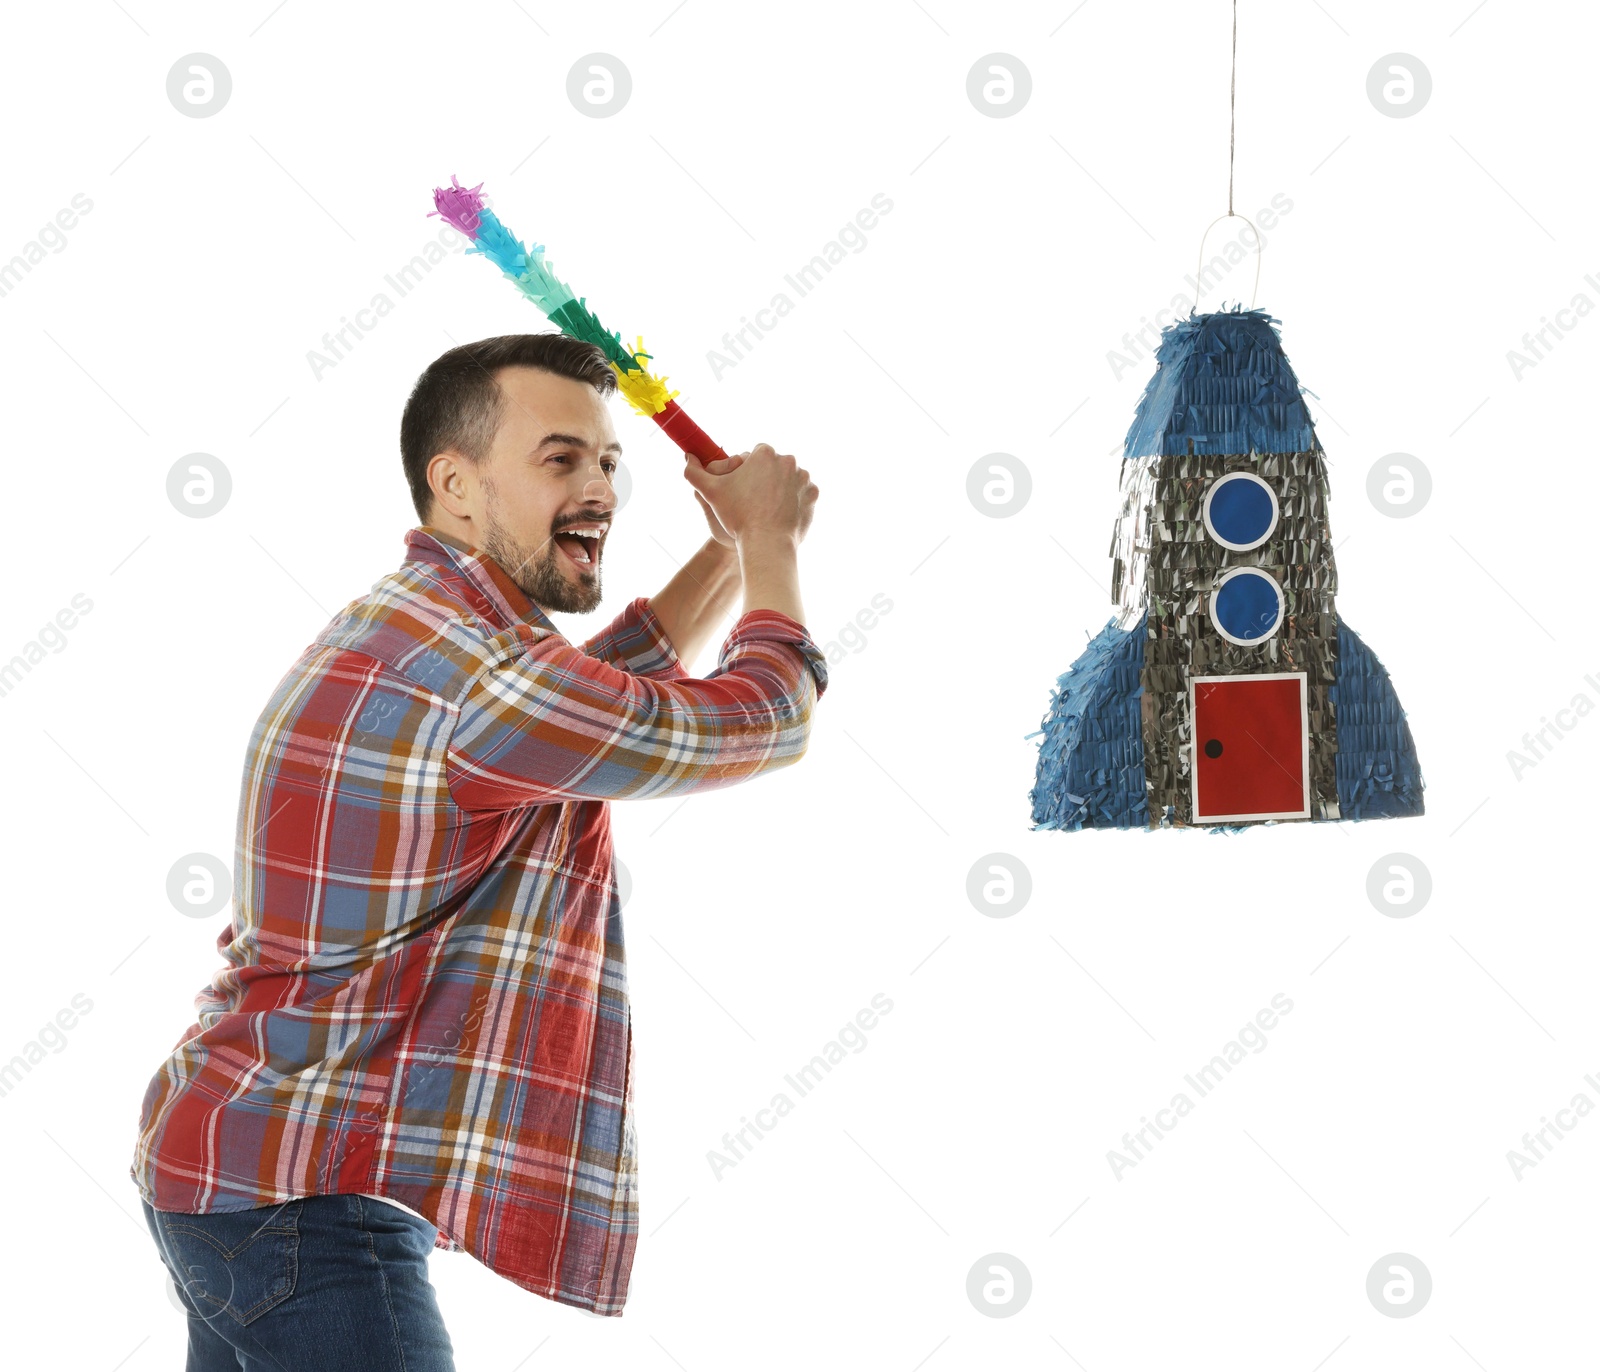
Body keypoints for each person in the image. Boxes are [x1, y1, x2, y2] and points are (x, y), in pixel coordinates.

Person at [129, 332, 826, 1369]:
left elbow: (591, 707)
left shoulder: (430, 625)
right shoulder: (482, 677)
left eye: (605, 460)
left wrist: (727, 547)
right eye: (560, 458)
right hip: (304, 1198)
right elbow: (765, 718)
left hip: (231, 1162)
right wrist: (772, 544)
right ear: (454, 485)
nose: (602, 487)